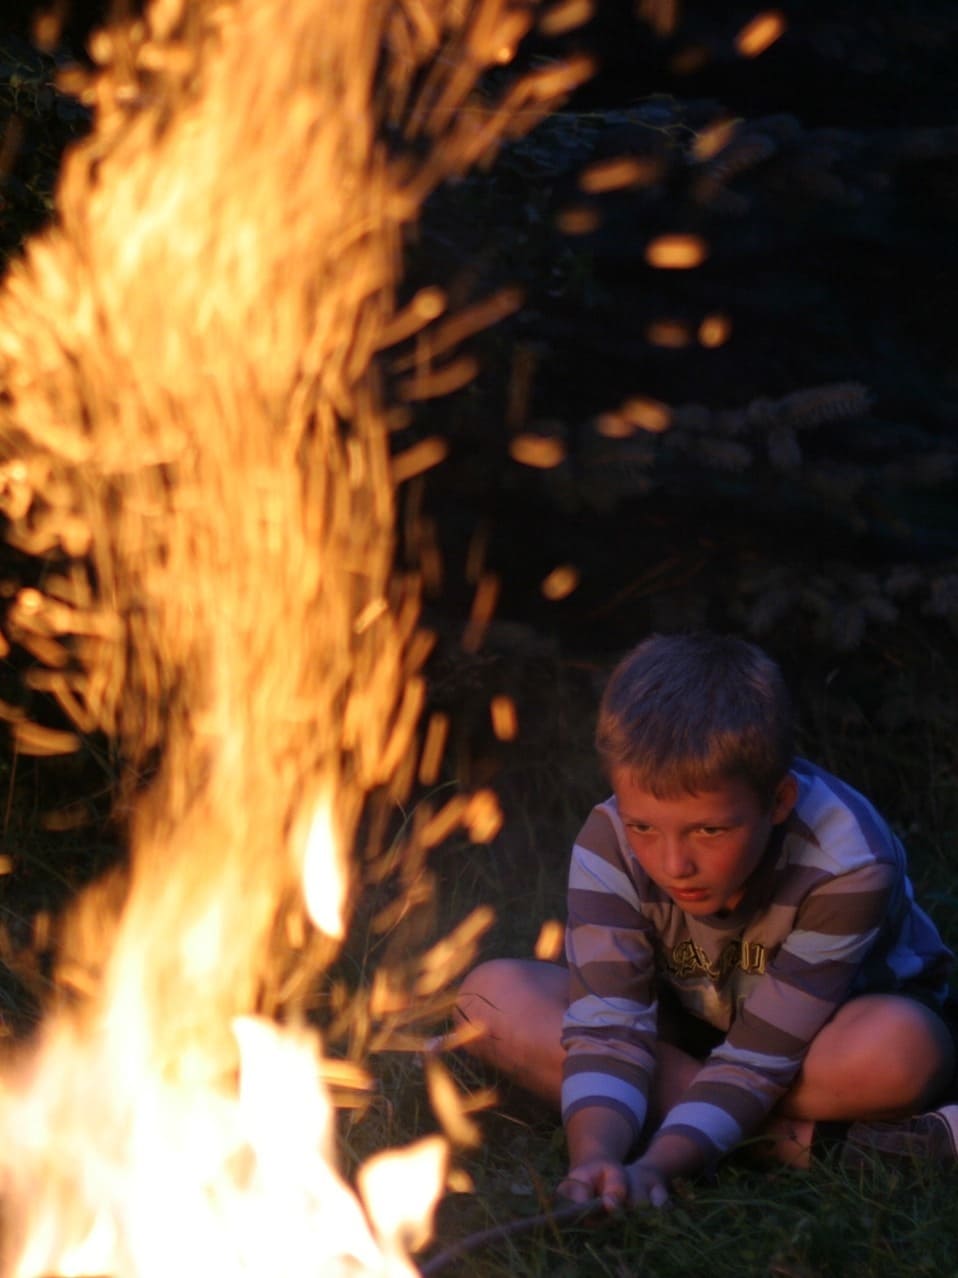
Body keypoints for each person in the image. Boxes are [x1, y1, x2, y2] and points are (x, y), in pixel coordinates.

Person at [454, 632, 958, 1211]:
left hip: (827, 1037)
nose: (673, 864)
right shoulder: (608, 841)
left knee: (903, 1051)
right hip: (686, 1020)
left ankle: (715, 1128)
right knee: (485, 1000)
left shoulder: (847, 860)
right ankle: (816, 1146)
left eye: (709, 830)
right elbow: (609, 1027)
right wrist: (595, 1158)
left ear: (778, 802)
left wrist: (658, 1166)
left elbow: (760, 1057)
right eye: (644, 826)